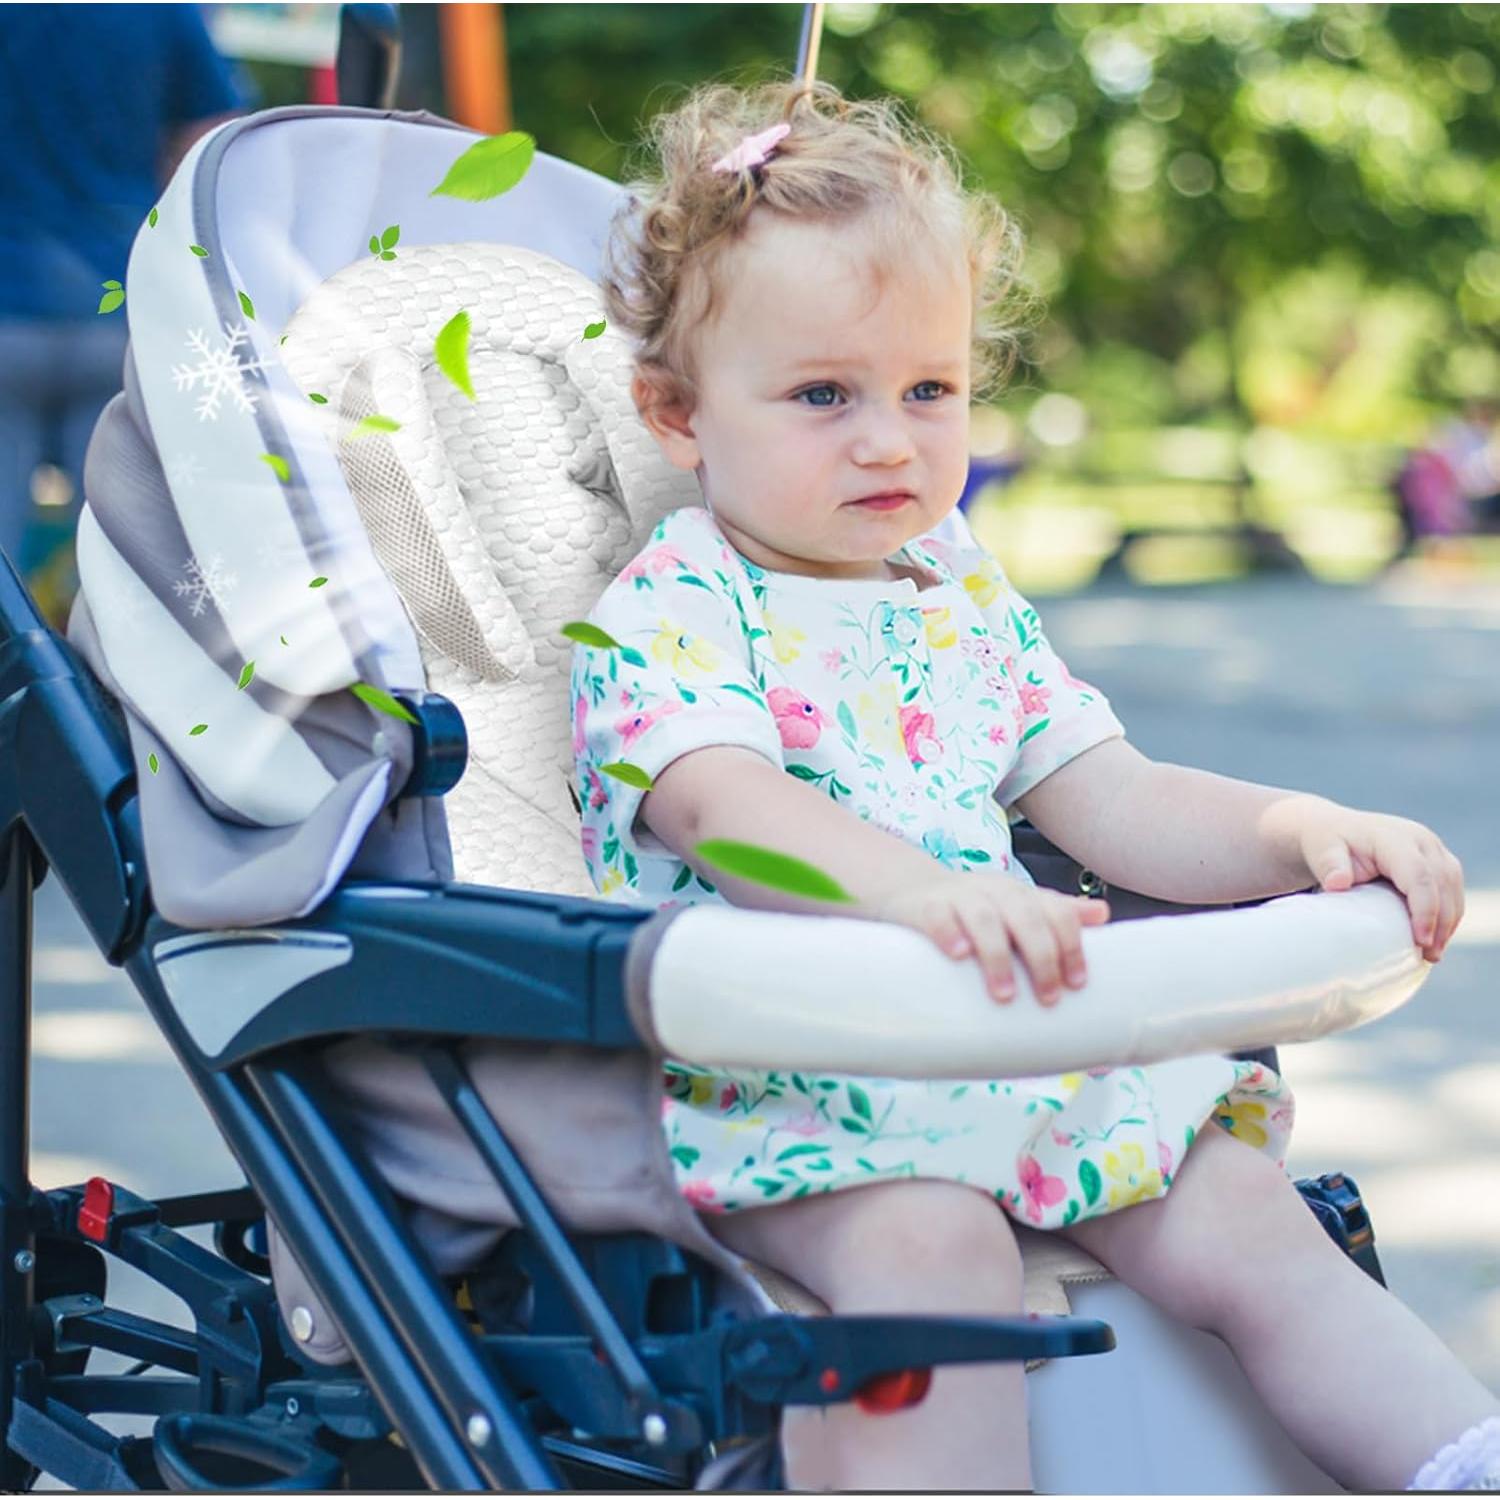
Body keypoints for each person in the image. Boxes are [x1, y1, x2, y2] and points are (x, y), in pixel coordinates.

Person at [570, 78, 1497, 1491]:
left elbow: (1106, 793)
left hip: (1010, 1048)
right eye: (824, 394)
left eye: (927, 390)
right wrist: (919, 894)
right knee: (931, 1251)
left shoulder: (955, 590)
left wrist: (1294, 833)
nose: (889, 438)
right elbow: (723, 809)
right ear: (678, 414)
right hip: (800, 1079)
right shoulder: (681, 602)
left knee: (1239, 1207)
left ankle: (1454, 1461)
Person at [0, 3, 253, 623]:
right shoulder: (162, 11)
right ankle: (113, 711)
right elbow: (214, 137)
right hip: (118, 309)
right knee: (125, 569)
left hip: (7, 308)